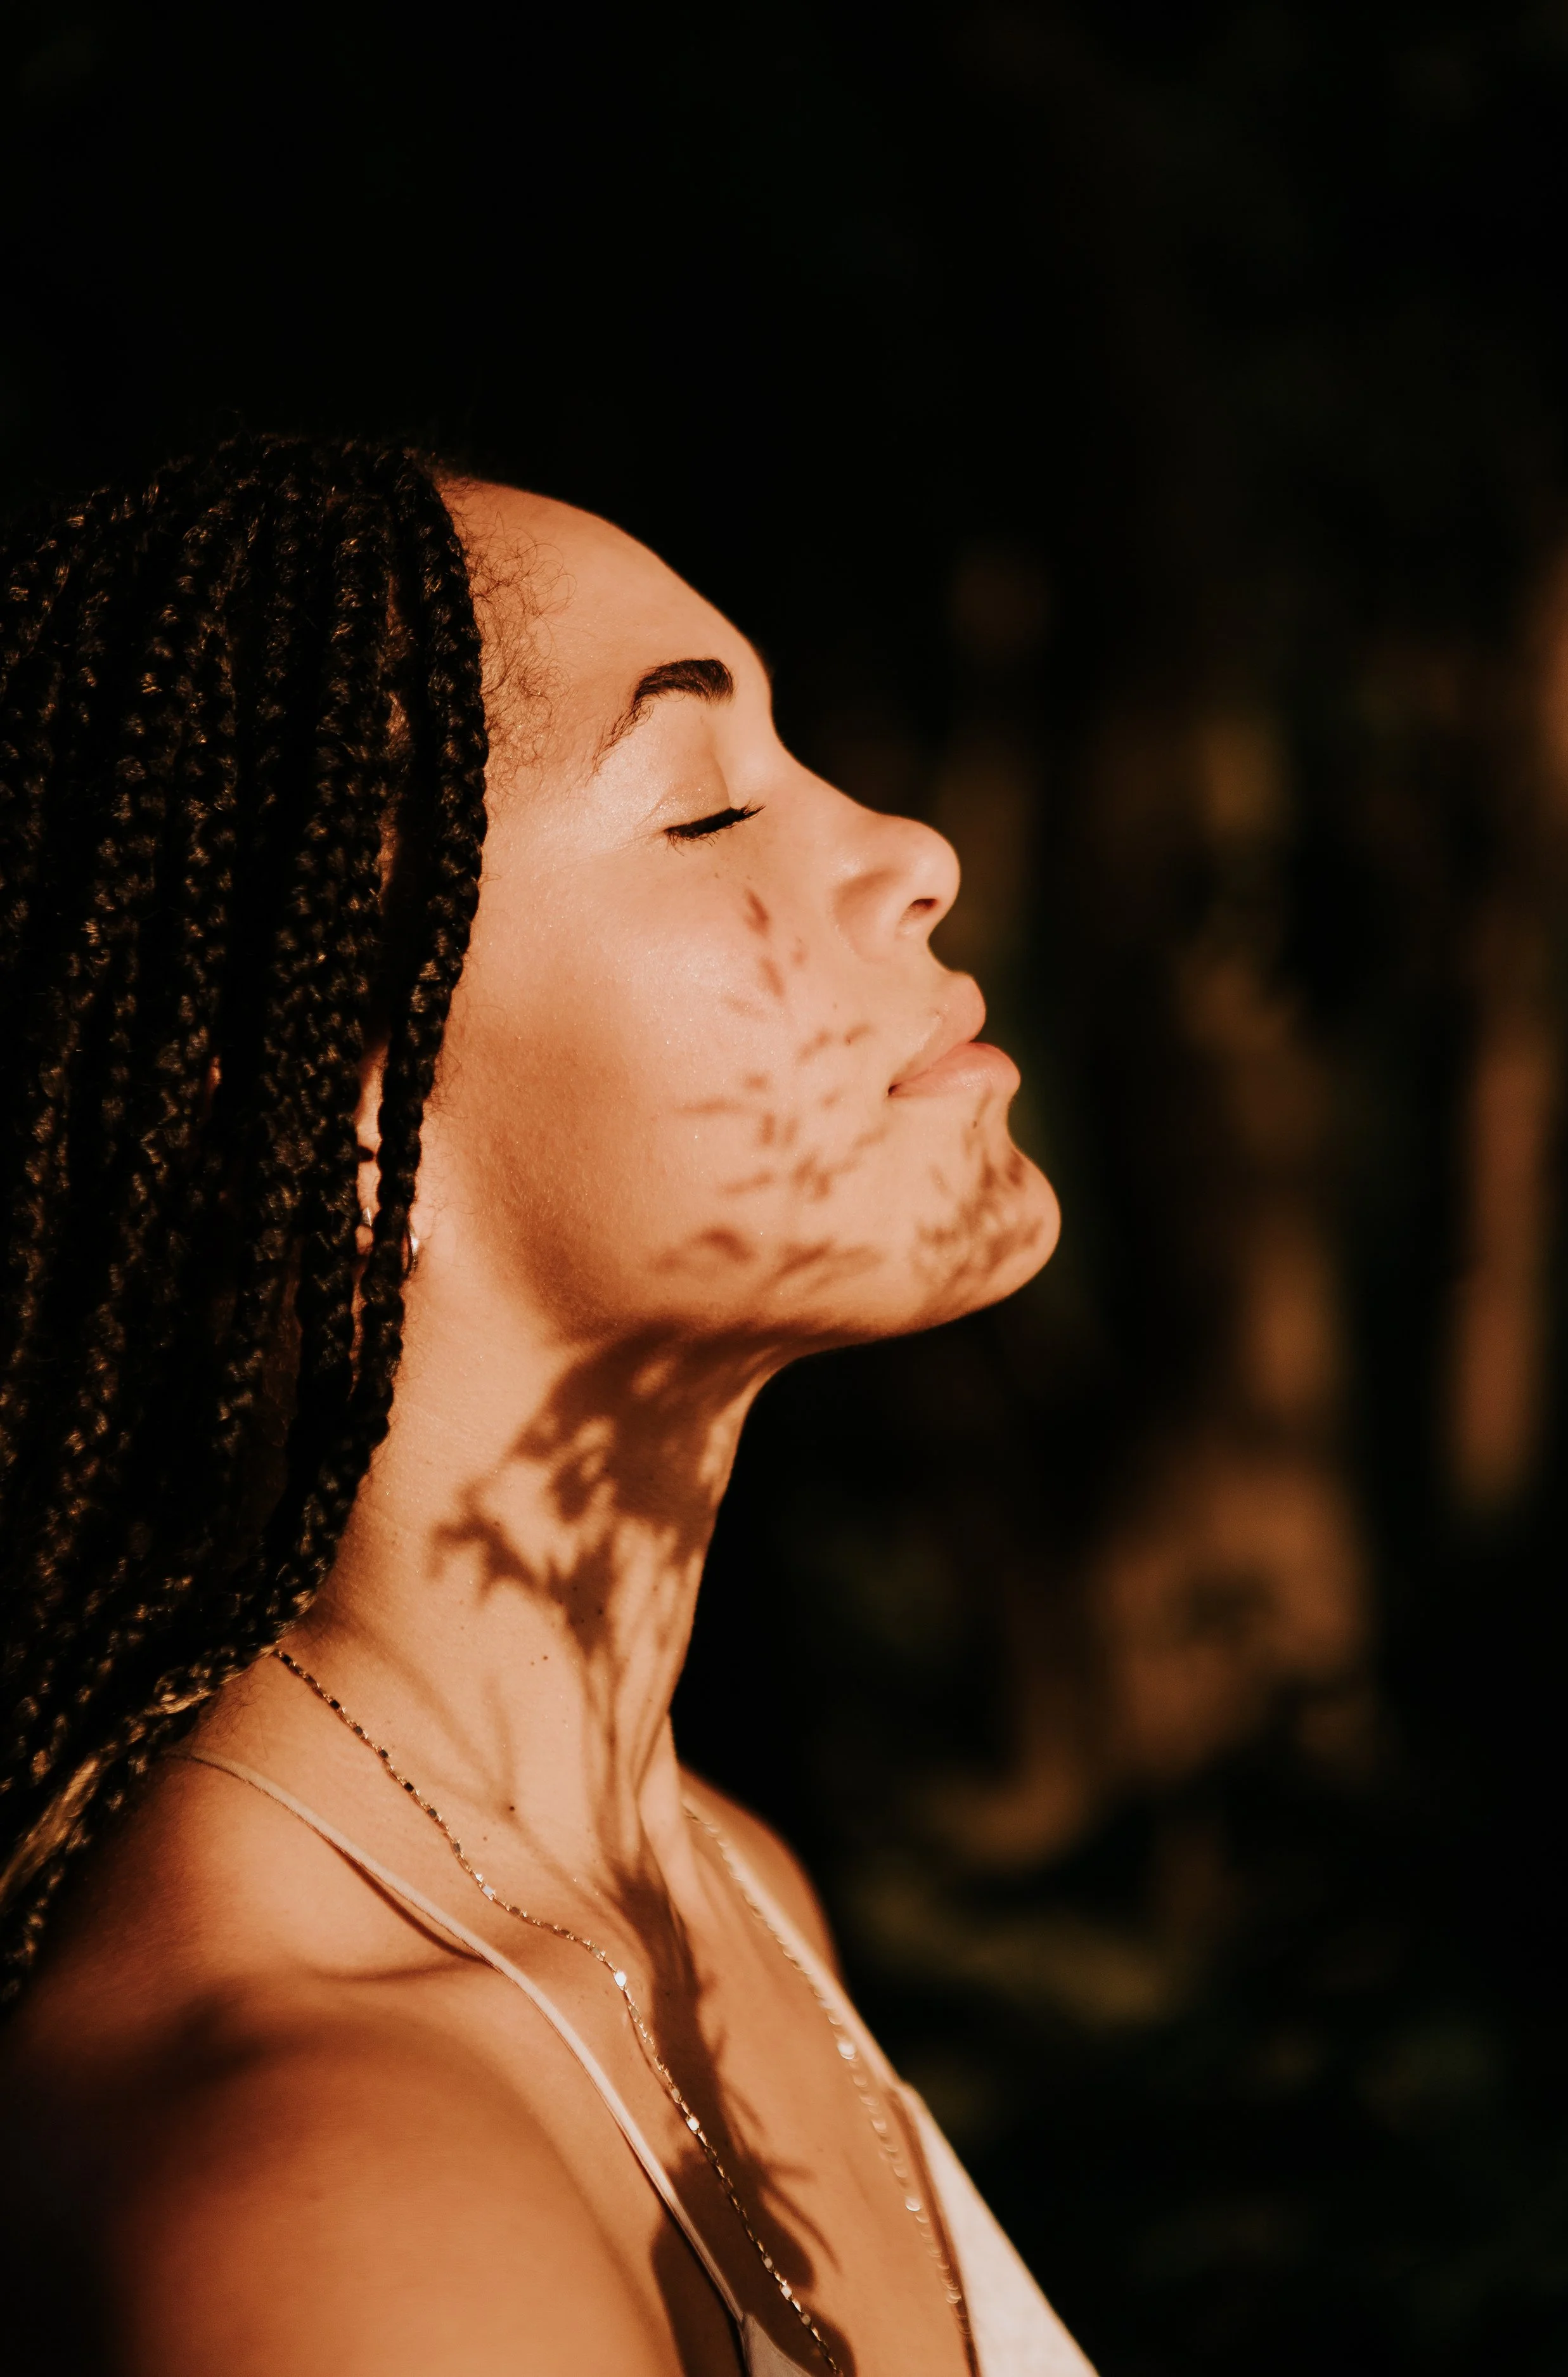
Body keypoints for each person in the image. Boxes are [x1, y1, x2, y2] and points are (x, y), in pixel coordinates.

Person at [0, 434, 1084, 2376]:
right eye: (700, 807)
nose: (904, 855)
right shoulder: (338, 2181)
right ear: (343, 1097)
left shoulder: (715, 1876)